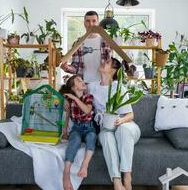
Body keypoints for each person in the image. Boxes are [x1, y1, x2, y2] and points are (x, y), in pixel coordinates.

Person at [87, 57, 141, 190]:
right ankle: (117, 182)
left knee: (123, 130)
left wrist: (121, 120)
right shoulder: (91, 87)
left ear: (113, 70)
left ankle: (127, 177)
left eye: (107, 63)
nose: (103, 63)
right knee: (105, 136)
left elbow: (130, 115)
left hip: (125, 127)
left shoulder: (119, 88)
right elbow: (78, 95)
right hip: (106, 128)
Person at [59, 75, 97, 190]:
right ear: (73, 87)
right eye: (79, 81)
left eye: (82, 79)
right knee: (74, 140)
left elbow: (87, 110)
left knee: (92, 137)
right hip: (76, 128)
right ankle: (66, 173)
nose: (83, 81)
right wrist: (65, 131)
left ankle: (84, 166)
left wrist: (75, 98)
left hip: (89, 127)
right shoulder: (69, 101)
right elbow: (66, 117)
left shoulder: (88, 97)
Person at [61, 10, 112, 83]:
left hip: (102, 84)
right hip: (83, 85)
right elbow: (75, 68)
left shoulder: (106, 42)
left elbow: (111, 65)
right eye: (88, 21)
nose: (91, 24)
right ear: (84, 23)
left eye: (94, 21)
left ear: (98, 23)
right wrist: (67, 68)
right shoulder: (78, 43)